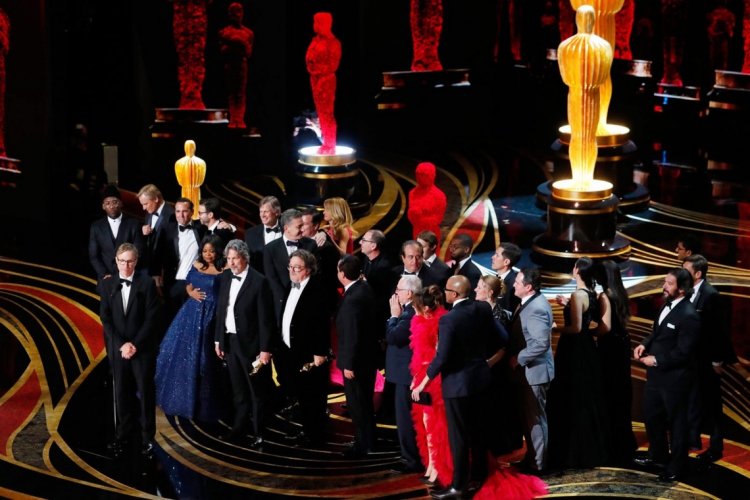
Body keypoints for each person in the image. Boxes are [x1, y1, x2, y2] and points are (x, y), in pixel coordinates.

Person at [411, 276, 505, 499]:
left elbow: (442, 357)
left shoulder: (449, 319)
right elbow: (502, 336)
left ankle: (459, 487)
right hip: (481, 381)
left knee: (459, 438)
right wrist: (486, 362)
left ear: (453, 295)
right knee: (479, 432)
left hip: (457, 386)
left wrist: (423, 382)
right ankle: (480, 476)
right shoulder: (482, 308)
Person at [633, 268, 700, 482]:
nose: (664, 286)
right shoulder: (666, 305)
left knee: (677, 424)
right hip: (656, 376)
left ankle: (677, 466)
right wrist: (644, 345)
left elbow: (684, 352)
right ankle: (658, 456)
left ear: (681, 289)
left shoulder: (689, 315)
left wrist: (657, 360)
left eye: (669, 283)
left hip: (675, 379)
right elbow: (656, 332)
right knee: (651, 416)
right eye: (665, 282)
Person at [155, 235, 229, 421]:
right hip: (191, 313)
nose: (208, 254)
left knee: (205, 357)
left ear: (218, 251)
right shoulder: (196, 265)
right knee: (180, 353)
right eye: (205, 251)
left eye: (211, 251)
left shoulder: (225, 268)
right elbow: (188, 285)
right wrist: (191, 292)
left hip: (213, 315)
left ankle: (204, 403)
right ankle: (178, 398)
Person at [547, 257, 611, 469]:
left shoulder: (577, 294)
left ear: (577, 270)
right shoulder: (592, 295)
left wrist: (554, 327)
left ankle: (571, 451)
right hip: (587, 349)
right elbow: (589, 323)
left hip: (573, 351)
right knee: (585, 398)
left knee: (571, 398)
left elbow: (574, 328)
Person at [214, 240, 276, 450]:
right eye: (229, 258)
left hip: (252, 346)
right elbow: (221, 310)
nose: (231, 263)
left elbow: (266, 319)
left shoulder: (259, 281)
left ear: (245, 258)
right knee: (238, 391)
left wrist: (265, 349)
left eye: (235, 258)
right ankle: (238, 430)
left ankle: (260, 434)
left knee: (257, 393)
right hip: (230, 343)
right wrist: (218, 340)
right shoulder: (225, 277)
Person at [99, 243, 160, 455]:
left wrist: (134, 344)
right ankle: (123, 434)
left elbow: (152, 318)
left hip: (141, 349)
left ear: (136, 262)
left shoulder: (147, 284)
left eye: (130, 261)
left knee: (145, 393)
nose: (126, 265)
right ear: (116, 261)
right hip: (118, 349)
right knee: (121, 393)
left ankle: (147, 438)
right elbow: (105, 319)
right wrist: (121, 344)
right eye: (122, 261)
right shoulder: (108, 285)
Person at [683, 254, 737, 462]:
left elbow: (719, 332)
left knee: (713, 404)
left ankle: (716, 446)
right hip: (691, 360)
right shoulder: (686, 291)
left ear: (697, 274)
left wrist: (717, 362)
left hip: (708, 361)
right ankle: (693, 439)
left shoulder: (711, 295)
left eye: (686, 270)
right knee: (692, 400)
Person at [279, 250, 331, 447]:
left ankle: (314, 435)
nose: (292, 270)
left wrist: (319, 352)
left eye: (297, 267)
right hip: (291, 351)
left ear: (308, 270)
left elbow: (321, 325)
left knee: (313, 397)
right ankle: (306, 430)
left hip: (310, 355)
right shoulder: (290, 285)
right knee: (301, 395)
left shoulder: (317, 290)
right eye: (290, 266)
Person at [508, 267, 554, 474]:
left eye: (517, 282)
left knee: (535, 420)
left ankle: (539, 465)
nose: (513, 284)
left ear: (528, 287)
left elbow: (540, 343)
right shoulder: (527, 303)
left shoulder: (536, 307)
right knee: (529, 419)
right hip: (527, 373)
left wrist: (518, 358)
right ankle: (532, 458)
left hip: (535, 373)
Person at [594, 260, 637, 461]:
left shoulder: (605, 295)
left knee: (610, 393)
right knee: (620, 392)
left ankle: (613, 444)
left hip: (610, 347)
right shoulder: (619, 292)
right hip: (621, 346)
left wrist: (588, 332)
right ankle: (624, 441)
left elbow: (605, 327)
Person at [408, 285, 451, 486]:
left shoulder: (440, 324)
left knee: (435, 426)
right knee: (425, 426)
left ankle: (438, 468)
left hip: (435, 380)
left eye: (416, 307)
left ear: (425, 308)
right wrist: (415, 379)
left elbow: (438, 359)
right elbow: (419, 357)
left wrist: (423, 381)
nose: (413, 310)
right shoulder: (419, 322)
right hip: (422, 378)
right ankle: (431, 466)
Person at [335, 254, 377, 458]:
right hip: (367, 359)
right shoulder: (364, 288)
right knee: (364, 403)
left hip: (357, 362)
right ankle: (368, 439)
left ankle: (363, 445)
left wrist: (349, 365)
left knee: (358, 404)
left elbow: (352, 335)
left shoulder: (352, 299)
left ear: (342, 274)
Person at [475, 274, 519, 455]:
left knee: (494, 406)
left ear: (490, 292)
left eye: (479, 287)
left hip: (493, 369)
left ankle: (497, 446)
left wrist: (488, 364)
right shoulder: (477, 310)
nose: (476, 290)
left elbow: (503, 346)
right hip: (480, 366)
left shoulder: (499, 315)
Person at [386, 276, 424, 475]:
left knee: (406, 421)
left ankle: (411, 460)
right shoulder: (411, 310)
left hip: (406, 377)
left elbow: (393, 336)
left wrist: (393, 316)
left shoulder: (409, 314)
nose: (396, 293)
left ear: (408, 293)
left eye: (399, 290)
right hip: (407, 376)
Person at [263, 209, 318, 321]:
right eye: (299, 226)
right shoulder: (270, 249)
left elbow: (315, 272)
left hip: (306, 301)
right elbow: (271, 278)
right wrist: (285, 298)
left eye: (303, 225)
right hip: (281, 303)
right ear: (286, 228)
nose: (303, 229)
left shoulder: (311, 245)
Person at [158, 198, 207, 319]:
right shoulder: (166, 229)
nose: (181, 215)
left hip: (196, 283)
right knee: (172, 320)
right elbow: (157, 255)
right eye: (178, 211)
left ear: (192, 212)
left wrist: (230, 226)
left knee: (194, 319)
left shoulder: (201, 228)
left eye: (185, 211)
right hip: (174, 283)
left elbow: (216, 227)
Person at [89, 185, 145, 283]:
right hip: (106, 279)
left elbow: (138, 251)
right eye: (108, 203)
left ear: (121, 203)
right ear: (103, 206)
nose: (111, 206)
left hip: (130, 278)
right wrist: (105, 274)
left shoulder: (134, 224)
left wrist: (126, 272)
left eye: (115, 202)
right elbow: (94, 256)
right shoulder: (96, 226)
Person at [306, 12, 341, 154]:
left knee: (327, 113)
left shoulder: (333, 42)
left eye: (320, 22)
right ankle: (326, 142)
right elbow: (308, 58)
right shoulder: (315, 41)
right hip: (315, 79)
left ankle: (330, 143)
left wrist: (318, 71)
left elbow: (333, 65)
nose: (317, 26)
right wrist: (312, 70)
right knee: (321, 114)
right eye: (316, 22)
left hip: (326, 80)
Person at [218, 2, 254, 129]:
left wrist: (233, 42)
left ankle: (240, 118)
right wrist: (239, 44)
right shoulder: (223, 32)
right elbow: (223, 51)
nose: (236, 15)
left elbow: (248, 51)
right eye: (233, 12)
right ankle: (233, 118)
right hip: (229, 65)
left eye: (238, 12)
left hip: (241, 65)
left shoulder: (248, 33)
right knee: (232, 93)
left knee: (241, 94)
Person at [138, 184, 175, 287]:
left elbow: (170, 246)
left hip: (162, 270)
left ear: (156, 199)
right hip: (149, 266)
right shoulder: (150, 212)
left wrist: (161, 271)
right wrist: (143, 232)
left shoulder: (171, 215)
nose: (143, 208)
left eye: (145, 204)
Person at [244, 196, 282, 273]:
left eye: (266, 212)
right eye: (261, 211)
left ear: (277, 212)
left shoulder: (287, 229)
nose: (262, 215)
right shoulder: (250, 233)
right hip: (260, 279)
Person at [448, 235, 483, 300]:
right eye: (451, 246)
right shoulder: (452, 268)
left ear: (466, 249)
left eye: (455, 247)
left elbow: (472, 299)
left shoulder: (473, 273)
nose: (451, 250)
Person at [490, 243, 522, 315]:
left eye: (497, 255)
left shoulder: (513, 285)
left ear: (506, 262)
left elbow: (509, 313)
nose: (493, 257)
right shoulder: (495, 278)